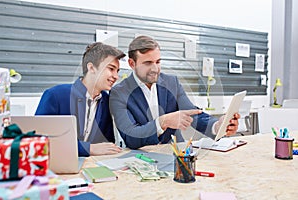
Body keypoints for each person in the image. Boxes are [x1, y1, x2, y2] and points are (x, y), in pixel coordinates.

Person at [109, 35, 240, 149]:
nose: (155, 68)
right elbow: (131, 138)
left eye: (158, 62)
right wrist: (163, 122)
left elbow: (192, 113)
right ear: (132, 64)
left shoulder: (172, 83)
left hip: (175, 153)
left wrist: (217, 126)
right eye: (148, 63)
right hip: (141, 158)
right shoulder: (119, 93)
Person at [35, 42, 125, 156]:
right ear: (91, 67)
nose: (116, 76)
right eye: (111, 69)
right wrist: (87, 148)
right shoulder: (56, 95)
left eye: (117, 71)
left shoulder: (107, 101)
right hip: (58, 166)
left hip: (92, 166)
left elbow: (106, 144)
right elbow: (38, 140)